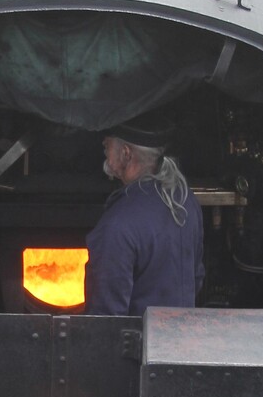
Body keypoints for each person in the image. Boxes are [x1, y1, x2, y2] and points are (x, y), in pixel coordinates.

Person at [84, 123, 204, 316]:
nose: (104, 143)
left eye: (109, 142)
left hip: (140, 336)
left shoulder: (117, 224)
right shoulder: (186, 202)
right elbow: (196, 278)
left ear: (126, 154)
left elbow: (106, 314)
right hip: (180, 331)